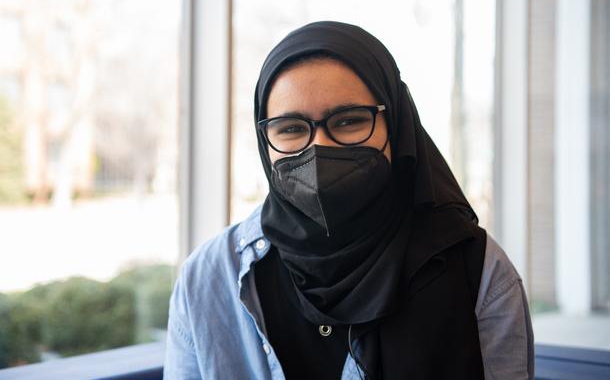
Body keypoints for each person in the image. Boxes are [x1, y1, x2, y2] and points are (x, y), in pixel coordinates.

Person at [163, 21, 534, 380]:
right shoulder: (209, 279)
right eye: (291, 129)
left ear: (397, 125)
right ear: (266, 143)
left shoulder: (477, 270)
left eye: (348, 121)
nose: (319, 146)